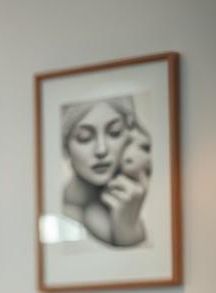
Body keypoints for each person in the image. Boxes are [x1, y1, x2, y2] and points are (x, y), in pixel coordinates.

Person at [61, 97, 150, 247]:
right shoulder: (67, 214)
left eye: (114, 132)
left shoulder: (132, 193)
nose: (101, 150)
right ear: (65, 146)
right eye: (84, 137)